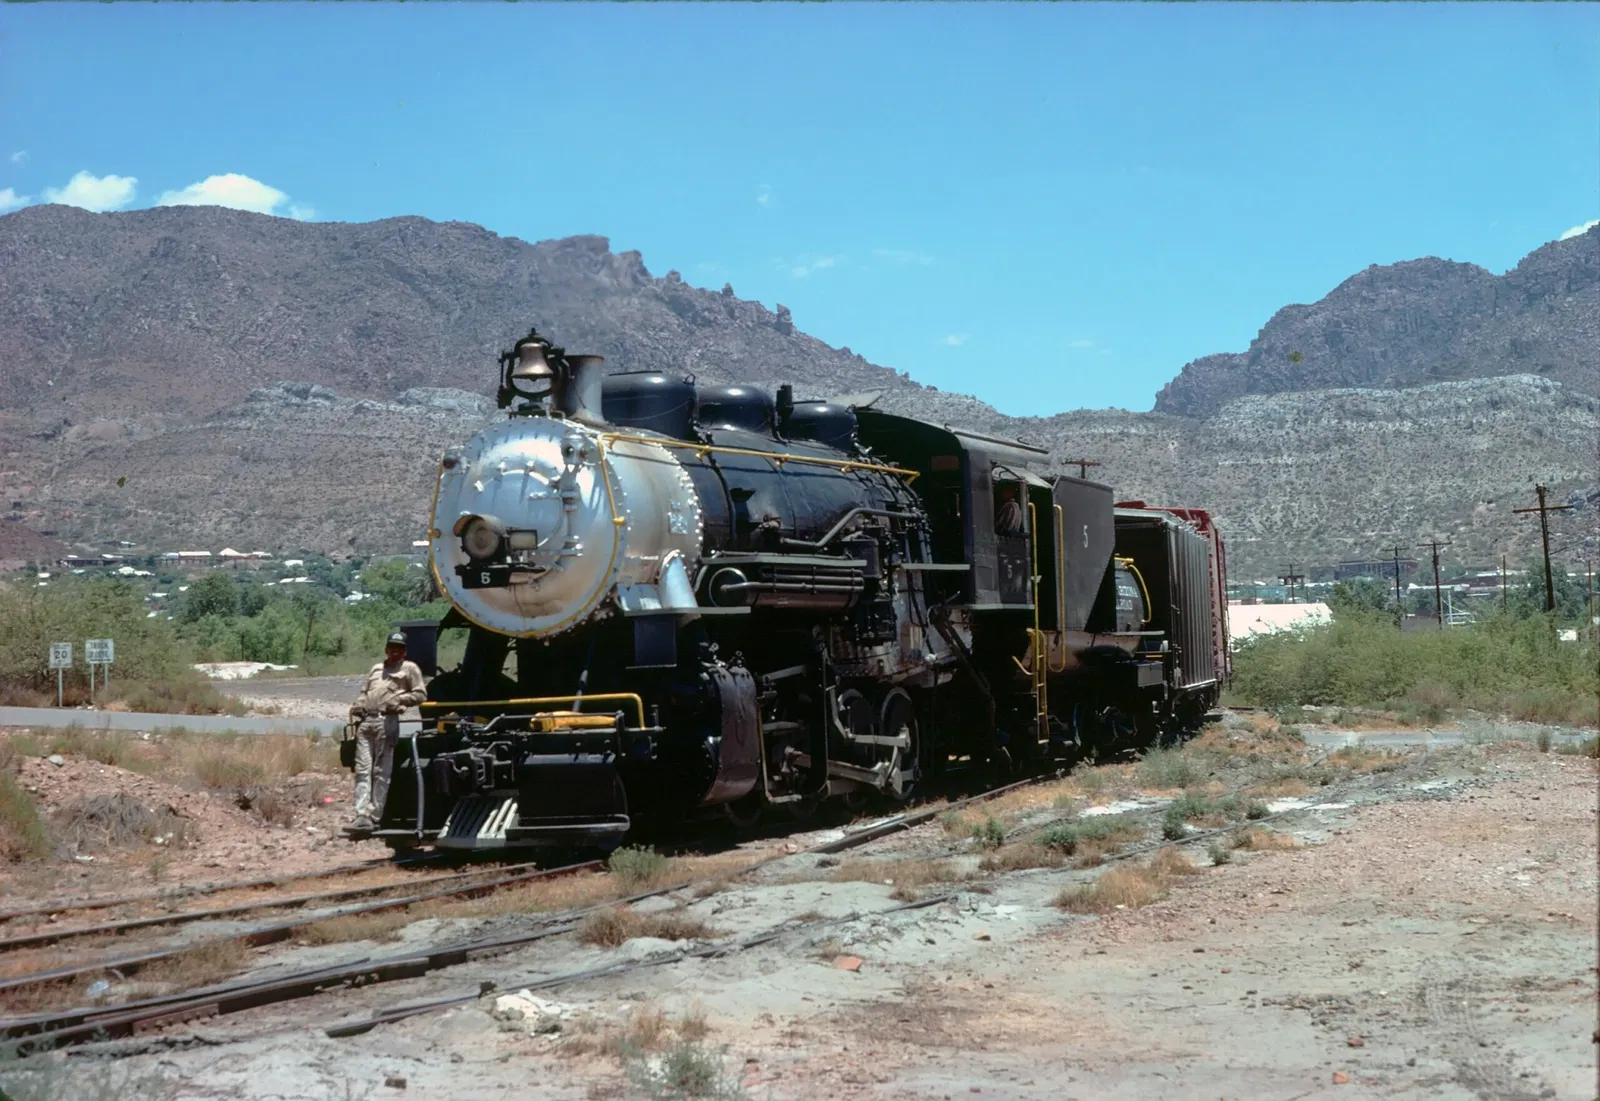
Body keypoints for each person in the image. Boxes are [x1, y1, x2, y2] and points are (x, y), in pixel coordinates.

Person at [346, 632, 427, 834]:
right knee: (363, 770)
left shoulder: (410, 669)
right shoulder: (376, 669)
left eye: (399, 648)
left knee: (381, 772)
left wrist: (400, 700)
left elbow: (420, 694)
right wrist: (358, 704)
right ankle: (361, 816)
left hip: (387, 721)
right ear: (386, 649)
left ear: (404, 651)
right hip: (366, 723)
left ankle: (375, 816)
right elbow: (365, 692)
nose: (395, 651)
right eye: (392, 648)